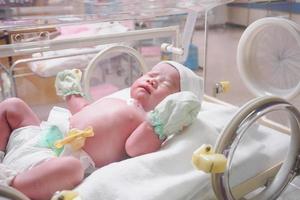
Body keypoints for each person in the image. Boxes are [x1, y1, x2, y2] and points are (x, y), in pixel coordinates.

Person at [0, 61, 203, 200]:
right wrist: (72, 92)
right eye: (151, 74)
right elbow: (84, 110)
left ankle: (11, 185)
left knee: (72, 169)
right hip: (39, 138)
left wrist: (160, 123)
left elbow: (135, 148)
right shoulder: (118, 100)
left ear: (175, 105)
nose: (152, 80)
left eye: (165, 83)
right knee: (13, 105)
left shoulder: (147, 121)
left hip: (51, 162)